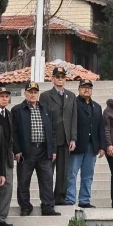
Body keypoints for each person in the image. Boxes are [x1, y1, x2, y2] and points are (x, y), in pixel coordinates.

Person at [12, 84, 58, 216]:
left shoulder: (46, 109)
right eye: (30, 92)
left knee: (47, 180)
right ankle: (25, 207)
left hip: (44, 151)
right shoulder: (17, 110)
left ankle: (48, 207)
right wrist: (17, 150)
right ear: (25, 93)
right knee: (23, 181)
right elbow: (13, 132)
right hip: (26, 151)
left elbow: (52, 131)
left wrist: (53, 150)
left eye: (35, 92)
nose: (33, 95)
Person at [40, 74, 76, 206]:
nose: (60, 79)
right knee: (48, 172)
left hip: (65, 139)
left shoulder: (71, 95)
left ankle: (60, 197)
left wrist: (73, 138)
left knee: (63, 171)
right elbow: (43, 117)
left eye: (63, 77)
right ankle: (47, 199)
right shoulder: (45, 96)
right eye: (58, 77)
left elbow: (73, 118)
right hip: (51, 139)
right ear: (53, 79)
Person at [68, 80, 103, 208]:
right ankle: (70, 199)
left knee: (88, 175)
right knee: (72, 173)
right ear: (79, 89)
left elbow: (100, 127)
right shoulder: (73, 104)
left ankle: (85, 200)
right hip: (77, 144)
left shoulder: (97, 107)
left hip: (92, 145)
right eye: (84, 87)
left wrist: (102, 146)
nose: (86, 90)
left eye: (89, 87)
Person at [0, 86, 16, 225]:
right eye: (2, 96)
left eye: (7, 96)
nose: (5, 99)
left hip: (7, 156)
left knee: (7, 186)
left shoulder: (9, 114)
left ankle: (0, 216)